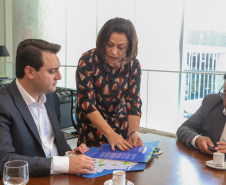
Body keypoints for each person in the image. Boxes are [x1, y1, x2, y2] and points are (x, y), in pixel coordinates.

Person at [0, 39, 95, 177]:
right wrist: (65, 164)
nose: (59, 76)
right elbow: (4, 161)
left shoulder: (51, 98)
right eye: (52, 71)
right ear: (30, 72)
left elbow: (56, 141)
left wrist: (71, 154)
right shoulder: (3, 104)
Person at [76, 17, 143, 151]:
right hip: (93, 127)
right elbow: (86, 103)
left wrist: (134, 132)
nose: (114, 51)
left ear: (129, 47)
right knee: (93, 167)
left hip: (121, 127)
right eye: (109, 45)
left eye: (121, 47)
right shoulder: (88, 60)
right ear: (102, 42)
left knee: (122, 169)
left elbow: (133, 101)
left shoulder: (133, 64)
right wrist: (110, 134)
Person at [177, 74, 226, 155]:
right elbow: (184, 128)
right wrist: (197, 140)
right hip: (209, 163)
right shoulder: (211, 102)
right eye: (225, 92)